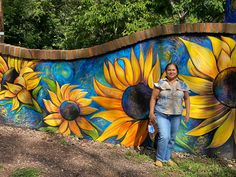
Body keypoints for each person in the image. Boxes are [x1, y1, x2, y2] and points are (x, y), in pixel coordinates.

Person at [149, 63, 190, 167]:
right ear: (166, 72)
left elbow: (186, 98)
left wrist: (188, 113)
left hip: (176, 115)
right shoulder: (160, 84)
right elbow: (153, 98)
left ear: (177, 71)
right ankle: (159, 159)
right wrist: (151, 113)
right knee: (164, 136)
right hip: (162, 113)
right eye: (169, 70)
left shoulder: (182, 84)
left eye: (173, 70)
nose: (171, 72)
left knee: (172, 138)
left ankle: (167, 158)